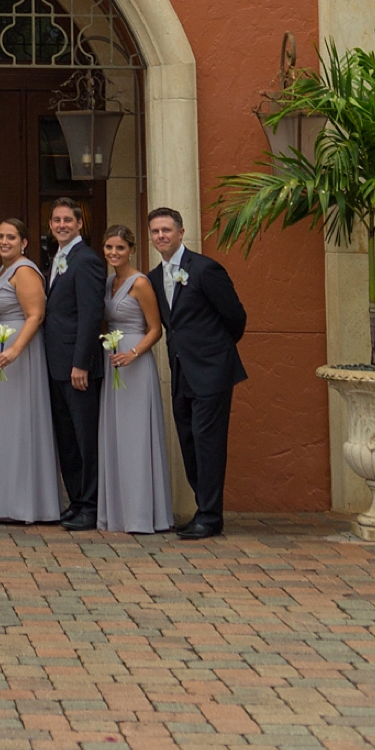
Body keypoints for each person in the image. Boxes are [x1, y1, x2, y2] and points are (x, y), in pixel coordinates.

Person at [148, 205, 248, 541]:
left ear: (180, 232)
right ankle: (202, 509)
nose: (161, 236)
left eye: (166, 230)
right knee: (189, 443)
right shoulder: (152, 277)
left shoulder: (205, 269)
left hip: (212, 372)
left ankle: (210, 516)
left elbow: (236, 318)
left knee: (208, 444)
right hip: (180, 372)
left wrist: (213, 353)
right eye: (156, 232)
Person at [0, 216, 58, 525]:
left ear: (24, 242)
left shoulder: (24, 271)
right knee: (3, 425)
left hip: (18, 354)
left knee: (19, 423)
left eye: (11, 237)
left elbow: (35, 315)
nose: (4, 242)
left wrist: (13, 350)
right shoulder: (3, 270)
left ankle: (24, 502)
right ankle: (1, 500)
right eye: (0, 236)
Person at [97, 224, 174, 534]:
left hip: (135, 363)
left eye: (120, 248)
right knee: (115, 436)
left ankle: (142, 515)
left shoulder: (140, 283)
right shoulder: (108, 283)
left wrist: (134, 353)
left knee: (136, 437)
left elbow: (155, 328)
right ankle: (118, 513)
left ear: (131, 249)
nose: (114, 253)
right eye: (109, 248)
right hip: (112, 359)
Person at [43, 196, 108, 530]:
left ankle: (92, 506)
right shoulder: (57, 257)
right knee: (67, 439)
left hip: (77, 368)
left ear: (80, 224)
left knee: (85, 439)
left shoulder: (86, 260)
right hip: (56, 364)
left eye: (68, 220)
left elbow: (91, 314)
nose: (61, 225)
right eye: (56, 220)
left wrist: (81, 363)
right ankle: (77, 499)